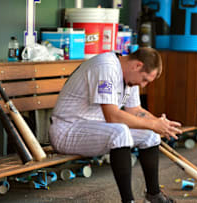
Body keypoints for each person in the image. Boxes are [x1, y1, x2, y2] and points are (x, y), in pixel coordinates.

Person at [49, 47, 182, 203]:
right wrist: (152, 124)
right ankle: (128, 201)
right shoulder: (106, 67)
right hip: (67, 130)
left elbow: (135, 110)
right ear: (137, 65)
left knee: (150, 134)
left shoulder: (130, 78)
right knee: (120, 132)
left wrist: (160, 124)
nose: (143, 85)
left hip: (93, 128)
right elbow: (112, 116)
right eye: (145, 79)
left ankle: (154, 195)